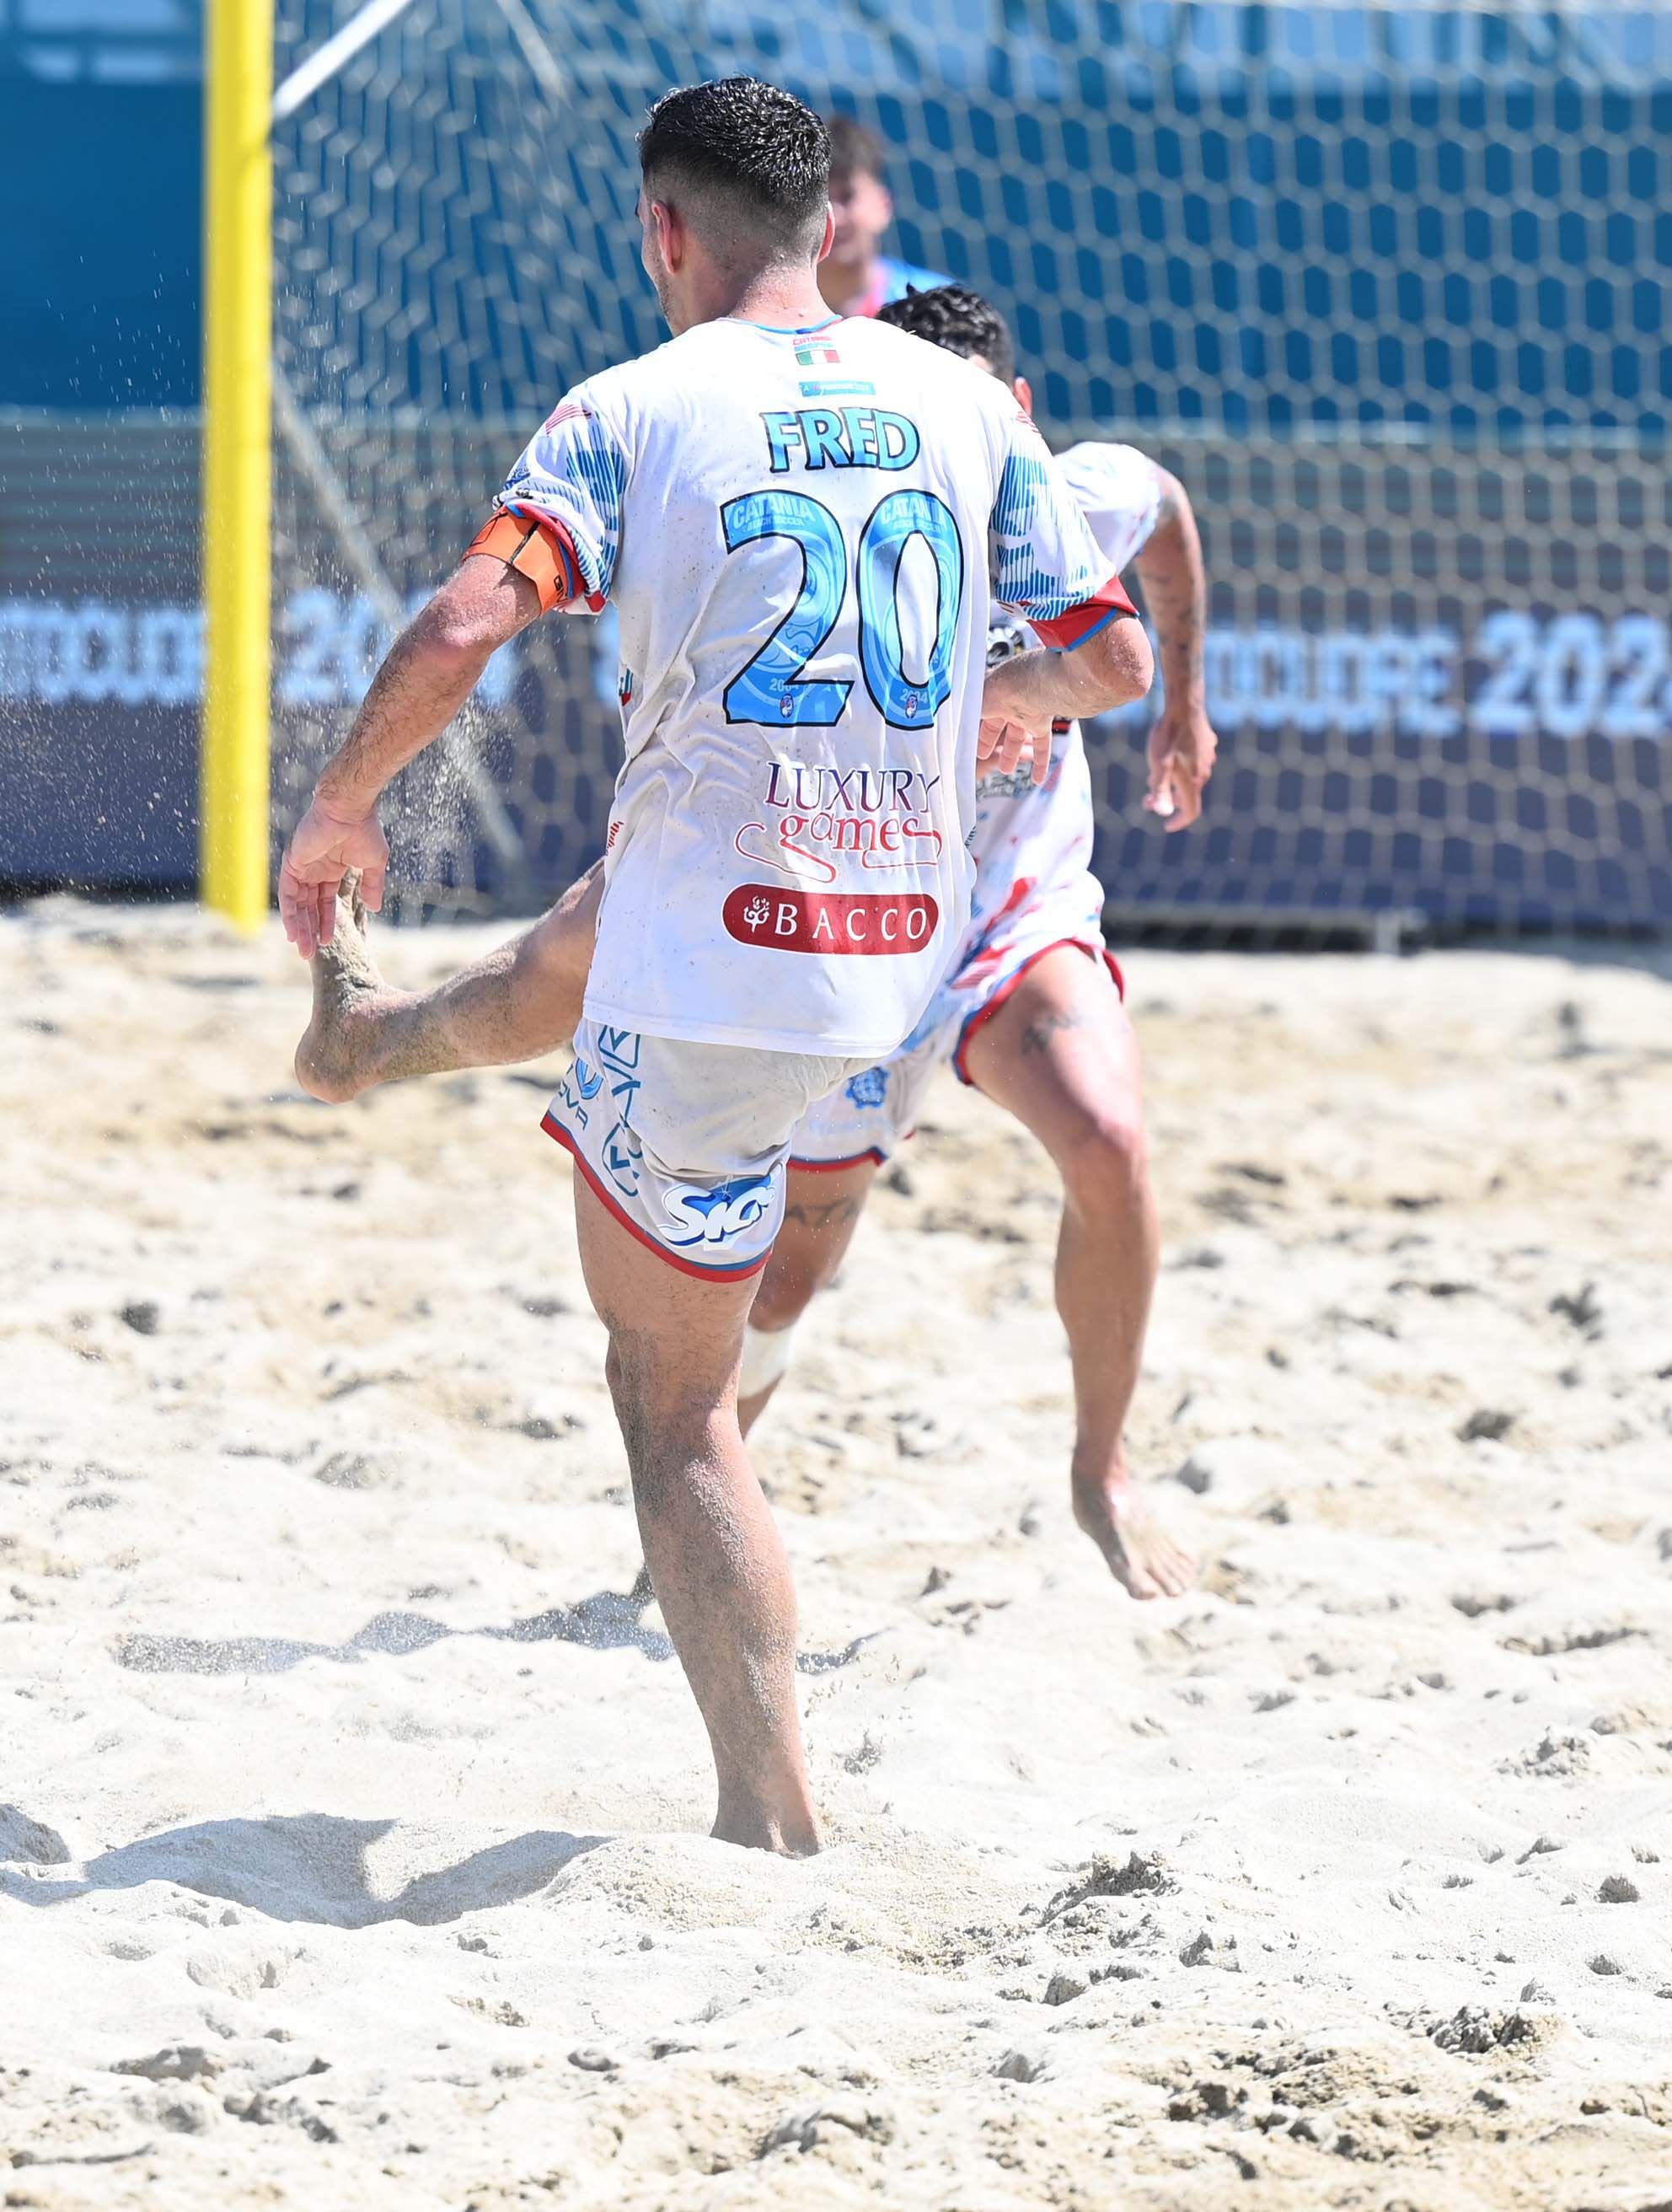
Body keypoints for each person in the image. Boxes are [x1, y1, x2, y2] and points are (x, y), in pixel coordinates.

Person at [276, 80, 1150, 1855]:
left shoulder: (630, 405)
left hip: (728, 973)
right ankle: (375, 1038)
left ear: (662, 232)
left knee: (673, 1406)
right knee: (611, 926)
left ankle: (773, 1819)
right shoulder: (967, 404)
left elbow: (463, 621)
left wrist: (339, 812)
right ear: (833, 227)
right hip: (900, 950)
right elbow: (1109, 652)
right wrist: (983, 701)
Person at [293, 283, 1219, 1602]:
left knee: (1111, 1139)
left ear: (1009, 416)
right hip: (840, 916)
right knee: (784, 1265)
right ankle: (692, 1523)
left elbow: (1165, 513)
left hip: (1003, 913)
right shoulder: (804, 518)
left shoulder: (1068, 504)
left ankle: (1101, 1474)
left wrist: (1182, 702)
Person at [817, 111, 951, 320]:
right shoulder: (772, 312)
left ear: (883, 206)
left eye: (847, 196)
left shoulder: (939, 308)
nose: (835, 216)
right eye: (818, 200)